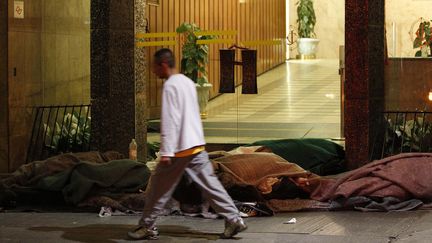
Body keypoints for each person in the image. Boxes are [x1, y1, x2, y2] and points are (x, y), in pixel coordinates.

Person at [128, 48, 247, 240]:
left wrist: (166, 151)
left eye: (154, 66)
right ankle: (234, 219)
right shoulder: (188, 82)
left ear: (164, 65)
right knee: (211, 185)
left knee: (158, 188)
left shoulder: (170, 87)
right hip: (196, 145)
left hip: (179, 151)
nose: (153, 71)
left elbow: (170, 120)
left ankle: (147, 226)